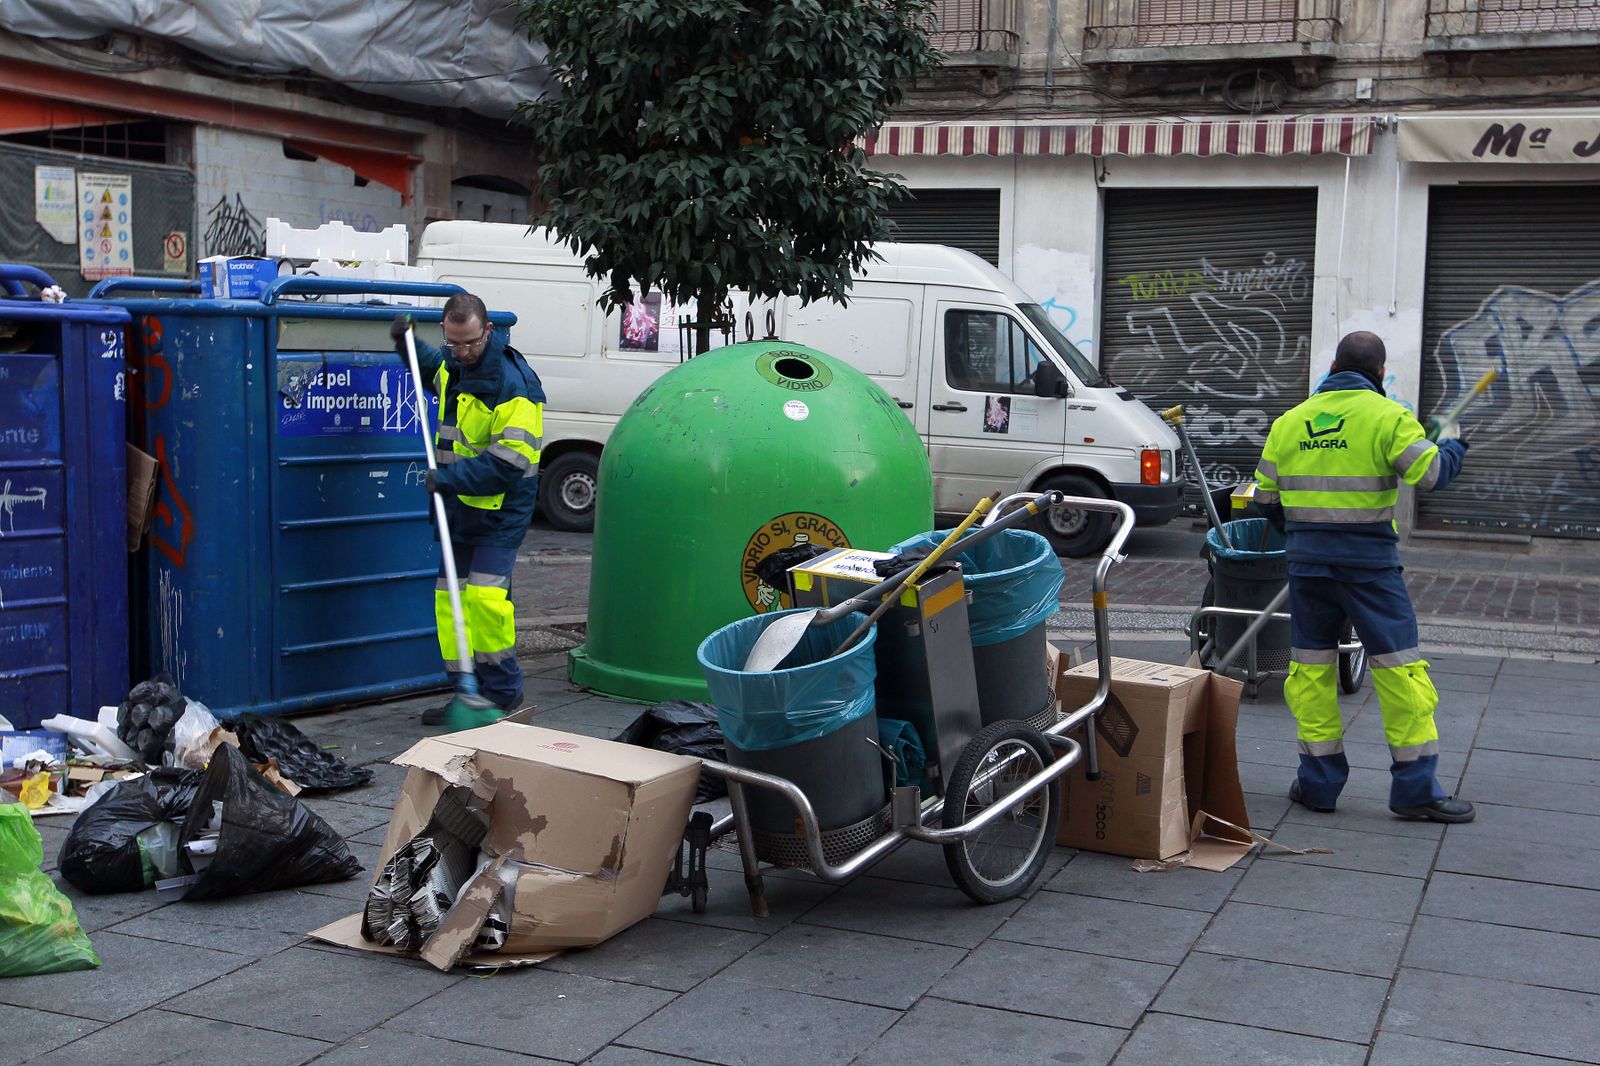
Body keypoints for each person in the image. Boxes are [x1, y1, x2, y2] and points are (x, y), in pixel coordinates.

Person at [1254, 331, 1474, 823]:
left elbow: (1264, 499)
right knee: (1399, 671)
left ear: (1332, 366)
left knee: (1311, 673)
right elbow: (1432, 474)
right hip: (1370, 569)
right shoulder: (1389, 416)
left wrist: (1306, 537)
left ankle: (1318, 786)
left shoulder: (1290, 423)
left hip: (1307, 568)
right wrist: (1455, 443)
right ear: (1379, 372)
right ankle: (1415, 790)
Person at [391, 294, 545, 725]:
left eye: (470, 344)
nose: (461, 352)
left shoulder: (515, 386)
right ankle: (465, 693)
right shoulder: (453, 364)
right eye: (453, 343)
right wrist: (406, 343)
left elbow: (511, 461)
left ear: (487, 332)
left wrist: (450, 480)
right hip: (458, 510)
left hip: (498, 513)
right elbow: (432, 370)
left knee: (485, 602)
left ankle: (502, 694)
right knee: (450, 601)